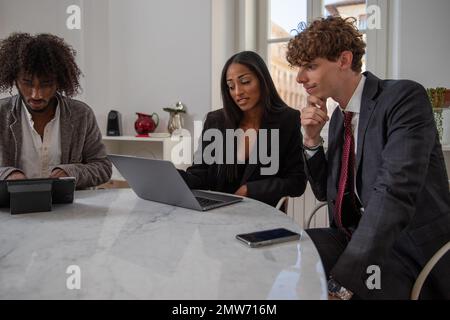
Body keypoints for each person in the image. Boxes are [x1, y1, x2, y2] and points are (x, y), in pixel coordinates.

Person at [286, 16, 450, 299]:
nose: (300, 78)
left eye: (310, 66)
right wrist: (312, 139)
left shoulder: (403, 98)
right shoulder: (338, 118)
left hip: (407, 249)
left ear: (344, 59)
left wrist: (343, 281)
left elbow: (394, 193)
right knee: (296, 248)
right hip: (355, 236)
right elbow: (326, 192)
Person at [179, 51, 307, 207]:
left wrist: (250, 190)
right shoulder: (215, 121)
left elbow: (297, 181)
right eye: (231, 86)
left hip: (262, 215)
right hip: (218, 214)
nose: (237, 92)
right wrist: (172, 177)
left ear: (262, 80)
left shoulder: (287, 120)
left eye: (245, 81)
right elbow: (199, 175)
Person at [0, 33, 112, 189]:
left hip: (70, 209)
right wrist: (7, 175)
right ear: (15, 80)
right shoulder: (1, 114)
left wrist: (70, 172)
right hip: (13, 209)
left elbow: (103, 167)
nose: (36, 94)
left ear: (59, 81)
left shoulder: (81, 114)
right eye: (27, 83)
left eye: (46, 84)